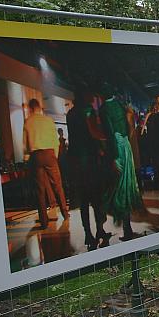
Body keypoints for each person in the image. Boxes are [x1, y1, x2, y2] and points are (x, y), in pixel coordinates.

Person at [66, 91, 110, 250]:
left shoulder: (70, 113)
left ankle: (88, 234)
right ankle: (100, 230)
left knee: (83, 200)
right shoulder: (88, 111)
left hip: (76, 162)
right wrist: (107, 139)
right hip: (90, 162)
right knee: (97, 198)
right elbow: (93, 134)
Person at [100, 85, 143, 241]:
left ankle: (117, 226)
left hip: (117, 148)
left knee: (117, 190)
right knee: (126, 186)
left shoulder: (104, 109)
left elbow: (110, 135)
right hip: (126, 147)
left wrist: (113, 157)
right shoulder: (119, 104)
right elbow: (128, 128)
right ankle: (127, 228)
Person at [23, 98, 69, 229]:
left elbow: (25, 145)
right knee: (57, 185)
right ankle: (65, 214)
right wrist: (54, 155)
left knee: (40, 189)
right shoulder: (48, 120)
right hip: (49, 153)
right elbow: (55, 140)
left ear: (30, 109)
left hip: (36, 155)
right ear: (39, 108)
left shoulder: (28, 121)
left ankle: (44, 221)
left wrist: (27, 159)